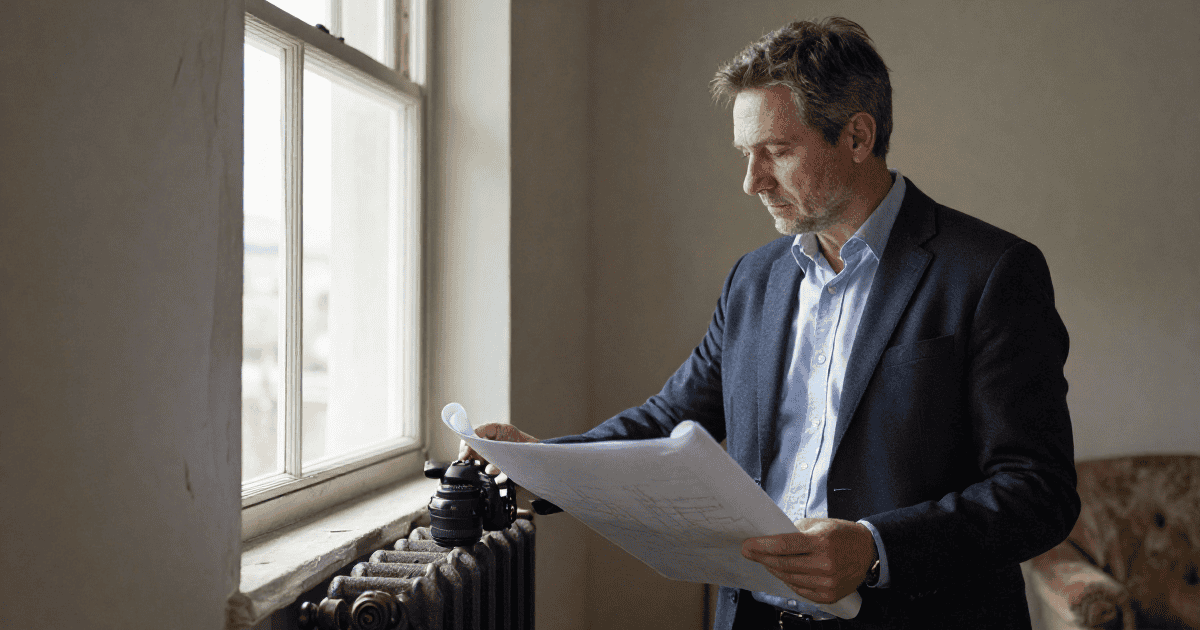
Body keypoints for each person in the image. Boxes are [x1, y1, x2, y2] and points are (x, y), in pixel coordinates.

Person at [463, 17, 1079, 629]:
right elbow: (669, 419)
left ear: (858, 137)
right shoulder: (753, 280)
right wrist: (545, 467)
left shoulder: (993, 272)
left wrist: (874, 549)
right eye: (746, 154)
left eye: (777, 152)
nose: (751, 180)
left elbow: (1038, 491)